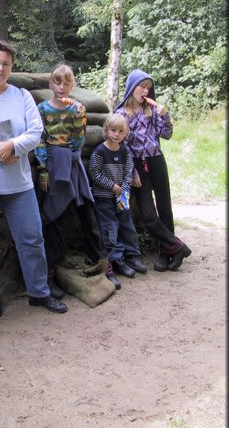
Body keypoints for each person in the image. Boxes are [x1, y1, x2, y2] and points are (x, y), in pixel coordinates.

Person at [0, 39, 67, 318]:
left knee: (32, 237)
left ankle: (39, 291)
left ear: (11, 66)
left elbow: (35, 132)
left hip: (18, 184)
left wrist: (13, 146)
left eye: (6, 63)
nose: (0, 68)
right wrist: (0, 153)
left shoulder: (22, 96)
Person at [34, 63, 118, 292]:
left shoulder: (78, 109)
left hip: (73, 163)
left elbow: (79, 141)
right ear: (51, 84)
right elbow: (39, 140)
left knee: (88, 213)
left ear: (72, 86)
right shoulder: (41, 109)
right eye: (58, 82)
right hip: (54, 166)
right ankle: (50, 275)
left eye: (67, 83)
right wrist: (43, 170)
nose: (62, 87)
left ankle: (105, 266)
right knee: (55, 218)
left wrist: (78, 115)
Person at [115, 69, 191, 271]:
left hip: (157, 160)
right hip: (138, 166)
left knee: (165, 207)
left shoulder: (152, 111)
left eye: (149, 87)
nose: (146, 91)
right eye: (142, 86)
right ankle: (178, 246)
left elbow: (166, 134)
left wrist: (166, 116)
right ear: (132, 87)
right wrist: (132, 172)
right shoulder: (121, 114)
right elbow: (123, 148)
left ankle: (167, 253)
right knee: (148, 214)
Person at [88, 113, 147, 279]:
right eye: (113, 130)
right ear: (106, 130)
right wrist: (112, 186)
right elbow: (94, 173)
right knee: (110, 228)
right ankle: (115, 260)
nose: (116, 134)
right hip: (104, 197)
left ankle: (132, 255)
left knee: (127, 224)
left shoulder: (124, 151)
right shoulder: (100, 152)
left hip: (121, 197)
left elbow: (129, 172)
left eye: (121, 131)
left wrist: (124, 189)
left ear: (126, 133)